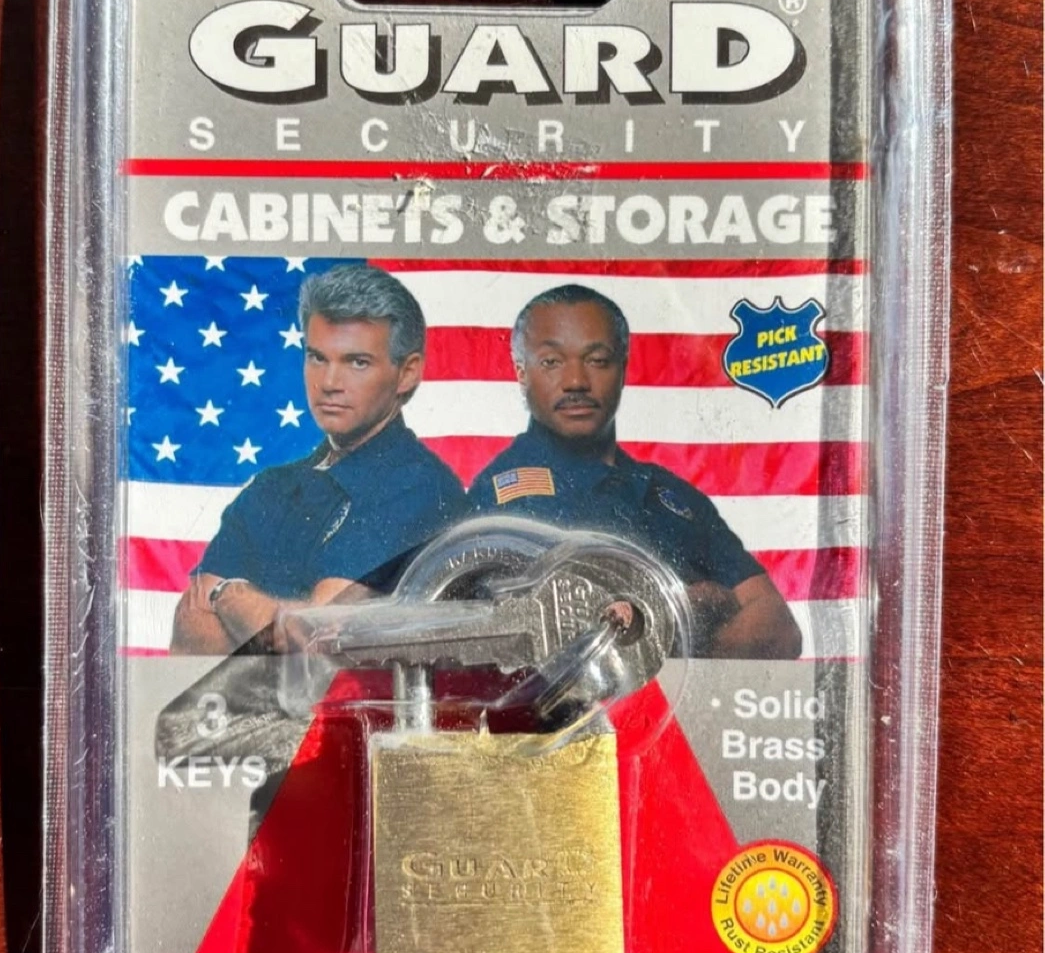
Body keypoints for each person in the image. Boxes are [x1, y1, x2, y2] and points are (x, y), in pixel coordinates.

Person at [467, 284, 802, 658]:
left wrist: (672, 643)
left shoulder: (671, 494)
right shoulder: (498, 505)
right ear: (521, 373)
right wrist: (701, 605)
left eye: (597, 360)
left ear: (623, 368)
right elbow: (547, 651)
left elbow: (780, 629)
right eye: (551, 362)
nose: (576, 381)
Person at [171, 262, 465, 654]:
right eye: (317, 358)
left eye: (357, 362)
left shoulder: (420, 486)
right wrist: (273, 619)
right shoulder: (270, 487)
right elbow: (188, 631)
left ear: (407, 373)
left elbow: (315, 641)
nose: (328, 383)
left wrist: (227, 595)